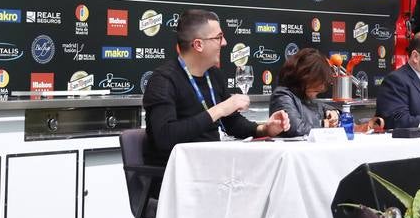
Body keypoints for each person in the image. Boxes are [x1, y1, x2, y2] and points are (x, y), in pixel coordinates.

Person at [142, 9, 288, 164]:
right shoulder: (163, 80)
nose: (224, 42)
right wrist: (220, 110)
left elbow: (232, 123)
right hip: (178, 174)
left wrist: (265, 128)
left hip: (214, 165)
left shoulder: (214, 75)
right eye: (219, 37)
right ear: (198, 44)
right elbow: (165, 138)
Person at [269, 48, 340, 137]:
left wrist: (333, 112)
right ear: (305, 77)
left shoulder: (306, 95)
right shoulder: (282, 95)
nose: (321, 87)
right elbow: (295, 128)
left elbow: (322, 106)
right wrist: (323, 124)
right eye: (318, 81)